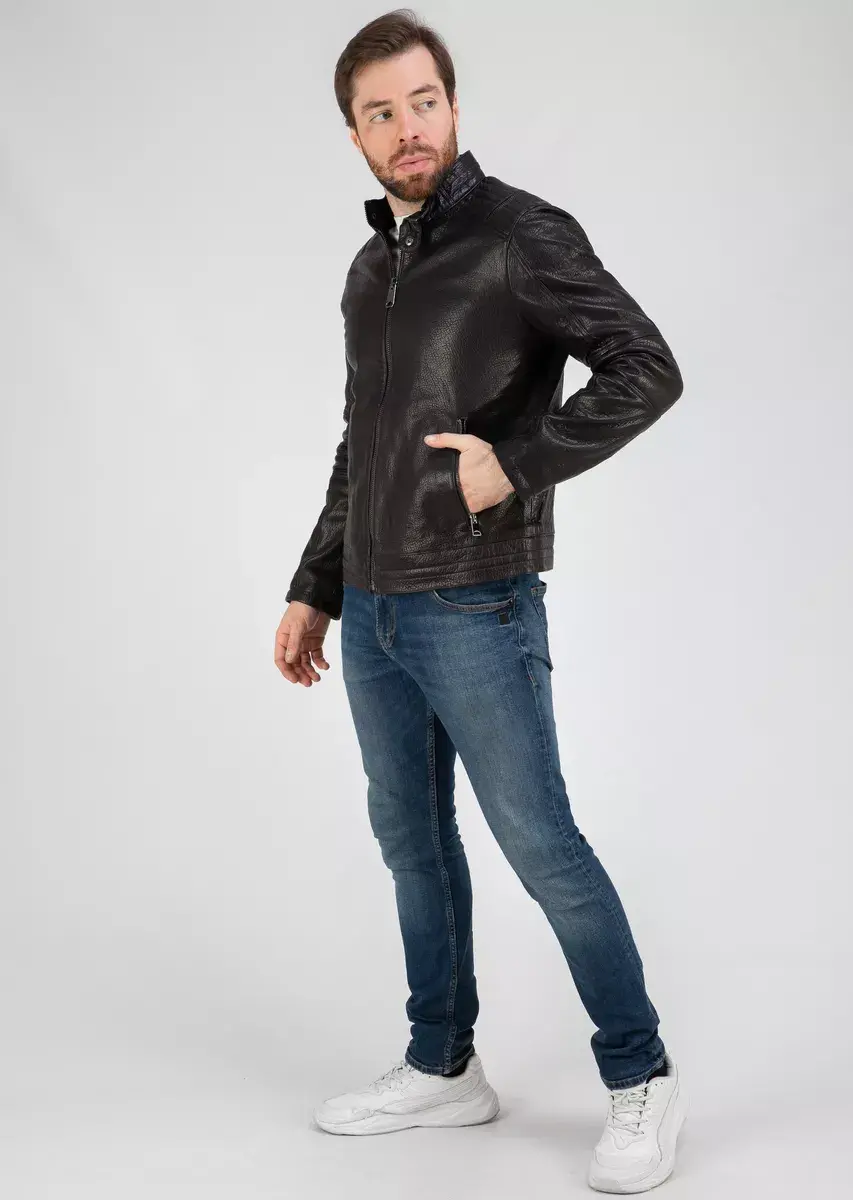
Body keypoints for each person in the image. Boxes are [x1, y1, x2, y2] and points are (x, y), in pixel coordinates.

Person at [274, 9, 688, 1192]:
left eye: (424, 102)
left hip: (476, 602)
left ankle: (643, 1074)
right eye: (381, 112)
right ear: (355, 134)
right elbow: (362, 445)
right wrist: (314, 586)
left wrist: (521, 460)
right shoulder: (371, 271)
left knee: (541, 844)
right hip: (374, 611)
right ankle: (443, 1065)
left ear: (453, 106)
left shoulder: (521, 234)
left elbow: (647, 367)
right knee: (411, 841)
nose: (408, 127)